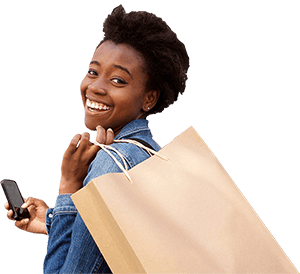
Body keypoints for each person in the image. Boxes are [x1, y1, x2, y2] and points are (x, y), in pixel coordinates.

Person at [4, 5, 189, 273]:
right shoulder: (151, 158)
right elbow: (109, 254)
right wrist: (53, 220)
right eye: (93, 72)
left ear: (149, 98)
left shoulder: (112, 167)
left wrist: (69, 184)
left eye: (117, 80)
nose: (95, 87)